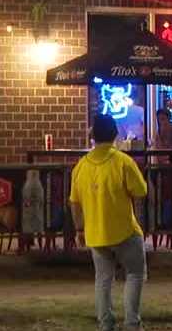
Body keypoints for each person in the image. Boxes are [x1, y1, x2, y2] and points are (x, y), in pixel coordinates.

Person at [70, 114, 149, 331]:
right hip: (125, 231)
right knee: (135, 274)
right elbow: (141, 190)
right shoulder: (123, 162)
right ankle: (132, 324)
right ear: (115, 134)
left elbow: (74, 203)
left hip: (95, 234)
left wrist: (79, 229)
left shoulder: (80, 166)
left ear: (92, 135)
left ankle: (106, 324)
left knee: (103, 280)